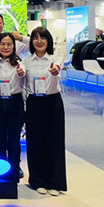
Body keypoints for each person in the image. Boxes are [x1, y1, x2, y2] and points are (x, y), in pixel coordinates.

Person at [23, 26, 66, 197]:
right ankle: (37, 180)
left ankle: (55, 182)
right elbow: (20, 77)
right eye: (35, 38)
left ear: (48, 41)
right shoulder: (26, 61)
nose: (39, 41)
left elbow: (58, 66)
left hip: (53, 102)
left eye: (43, 38)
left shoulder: (56, 58)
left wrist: (56, 69)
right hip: (34, 102)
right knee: (34, 142)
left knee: (55, 141)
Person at [0, 32, 26, 182]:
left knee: (14, 140)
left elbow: (25, 84)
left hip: (15, 102)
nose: (6, 47)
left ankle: (14, 171)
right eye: (2, 44)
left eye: (9, 44)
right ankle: (0, 170)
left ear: (14, 46)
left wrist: (21, 73)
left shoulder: (21, 63)